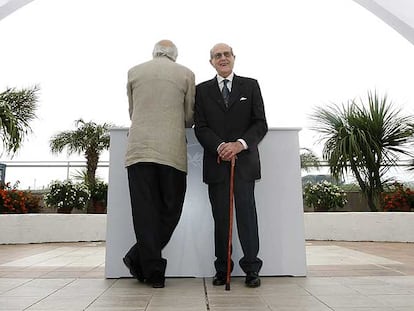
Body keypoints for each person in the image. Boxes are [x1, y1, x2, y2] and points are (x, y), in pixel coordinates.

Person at [194, 43, 268, 288]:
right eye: (217, 55)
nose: (222, 58)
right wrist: (220, 147)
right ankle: (222, 268)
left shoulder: (251, 85)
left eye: (226, 54)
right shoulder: (201, 91)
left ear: (234, 58)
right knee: (221, 219)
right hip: (216, 164)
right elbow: (201, 127)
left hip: (244, 164)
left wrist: (239, 144)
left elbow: (260, 124)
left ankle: (251, 269)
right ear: (211, 62)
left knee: (247, 216)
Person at [123, 40, 195, 288]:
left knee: (144, 213)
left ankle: (149, 268)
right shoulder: (186, 74)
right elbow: (188, 117)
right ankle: (140, 260)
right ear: (175, 55)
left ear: (153, 52)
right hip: (171, 152)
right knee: (171, 209)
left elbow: (132, 112)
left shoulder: (134, 71)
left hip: (138, 150)